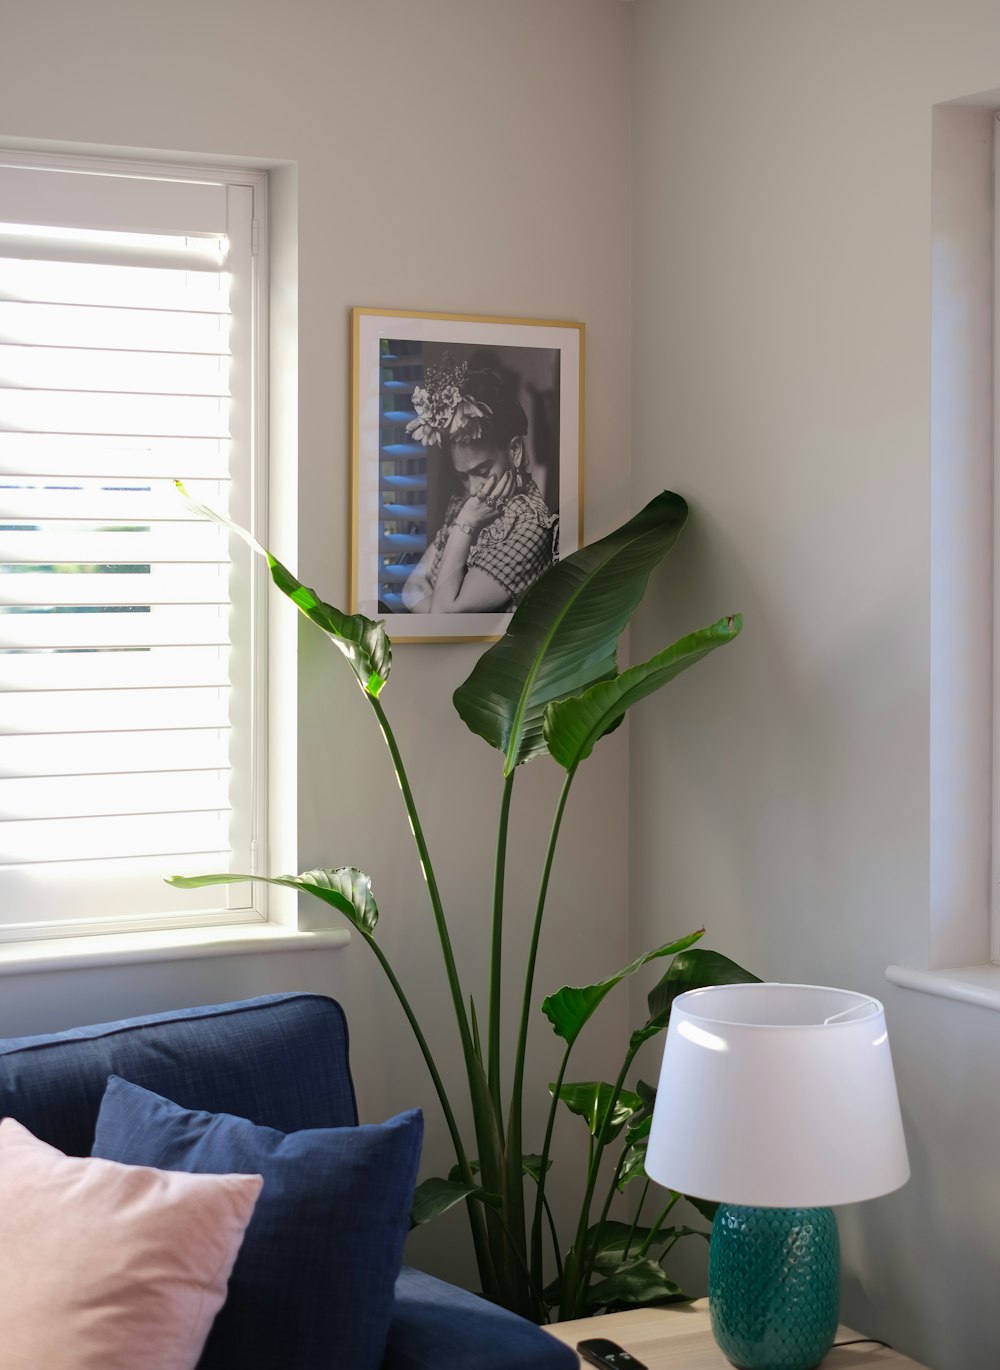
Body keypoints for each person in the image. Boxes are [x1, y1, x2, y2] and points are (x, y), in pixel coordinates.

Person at [401, 356, 557, 614]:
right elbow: (411, 587)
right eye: (462, 475)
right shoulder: (465, 506)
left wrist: (465, 525)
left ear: (515, 451)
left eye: (482, 471)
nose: (473, 489)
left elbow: (444, 616)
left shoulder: (530, 529)